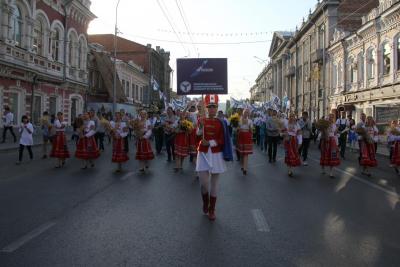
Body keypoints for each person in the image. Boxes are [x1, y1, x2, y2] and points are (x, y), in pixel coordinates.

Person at [196, 94, 226, 221]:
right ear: (206, 108)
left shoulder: (221, 122)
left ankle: (212, 210)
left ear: (217, 107)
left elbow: (221, 140)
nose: (212, 109)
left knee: (214, 184)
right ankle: (205, 202)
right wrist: (201, 127)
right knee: (204, 183)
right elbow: (197, 133)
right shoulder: (201, 120)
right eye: (209, 106)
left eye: (214, 106)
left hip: (216, 154)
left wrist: (210, 142)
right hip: (202, 153)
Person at [319, 114, 340, 178]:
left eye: (332, 117)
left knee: (333, 155)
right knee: (324, 154)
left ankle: (331, 172)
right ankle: (323, 168)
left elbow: (334, 134)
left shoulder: (334, 125)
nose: (331, 119)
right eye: (330, 117)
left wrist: (337, 130)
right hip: (325, 140)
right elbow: (321, 133)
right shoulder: (325, 125)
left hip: (332, 141)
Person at [236, 108, 253, 175]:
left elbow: (251, 130)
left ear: (248, 114)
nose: (246, 114)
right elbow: (237, 129)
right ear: (243, 113)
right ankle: (243, 166)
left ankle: (245, 169)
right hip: (241, 136)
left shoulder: (250, 121)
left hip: (247, 136)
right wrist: (240, 126)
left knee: (246, 153)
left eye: (247, 112)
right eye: (245, 112)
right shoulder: (239, 120)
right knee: (242, 153)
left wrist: (249, 126)